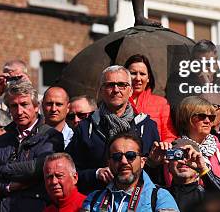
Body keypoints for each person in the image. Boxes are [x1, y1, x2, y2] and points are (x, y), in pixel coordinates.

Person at [67, 65, 160, 194]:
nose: (116, 90)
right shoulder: (85, 128)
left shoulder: (147, 126)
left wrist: (153, 163)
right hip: (98, 199)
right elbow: (70, 172)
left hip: (138, 201)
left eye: (122, 85)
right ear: (101, 90)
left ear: (131, 90)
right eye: (110, 85)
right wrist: (96, 173)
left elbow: (157, 176)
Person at [0, 81, 64, 212]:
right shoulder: (1, 140)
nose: (19, 111)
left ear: (36, 107)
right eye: (14, 106)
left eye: (24, 104)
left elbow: (37, 168)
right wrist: (7, 187)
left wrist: (0, 171)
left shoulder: (51, 136)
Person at [81, 132, 179, 211]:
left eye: (130, 156)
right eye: (117, 157)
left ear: (142, 162)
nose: (124, 161)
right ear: (109, 163)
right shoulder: (93, 200)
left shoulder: (160, 198)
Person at [163, 138, 220, 212]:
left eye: (189, 155)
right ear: (168, 161)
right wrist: (152, 163)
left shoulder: (207, 196)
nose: (184, 161)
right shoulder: (160, 195)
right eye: (178, 155)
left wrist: (203, 169)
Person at [172, 96, 220, 179]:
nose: (207, 121)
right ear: (186, 118)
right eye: (202, 116)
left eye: (211, 117)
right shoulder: (176, 150)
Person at [124, 54, 176, 142]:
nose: (138, 78)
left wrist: (163, 147)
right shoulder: (117, 102)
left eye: (142, 74)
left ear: (148, 78)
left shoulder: (161, 103)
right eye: (133, 73)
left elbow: (170, 136)